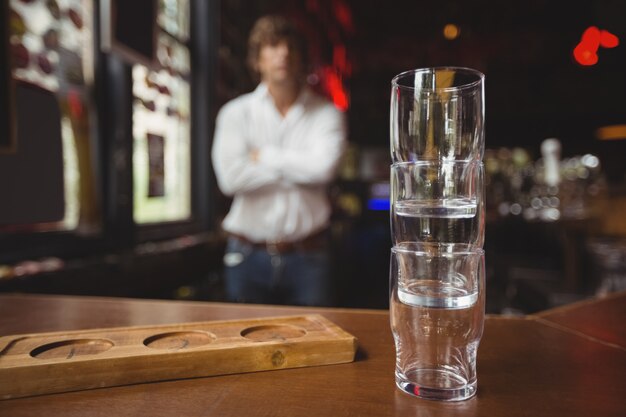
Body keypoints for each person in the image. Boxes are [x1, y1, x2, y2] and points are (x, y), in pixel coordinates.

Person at [211, 15, 348, 306]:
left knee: (316, 348)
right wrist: (300, 167)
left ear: (301, 59)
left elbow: (323, 170)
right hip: (246, 255)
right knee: (245, 348)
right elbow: (231, 179)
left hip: (310, 257)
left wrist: (264, 157)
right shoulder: (235, 114)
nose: (283, 53)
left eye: (290, 47)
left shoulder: (327, 114)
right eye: (273, 45)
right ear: (257, 59)